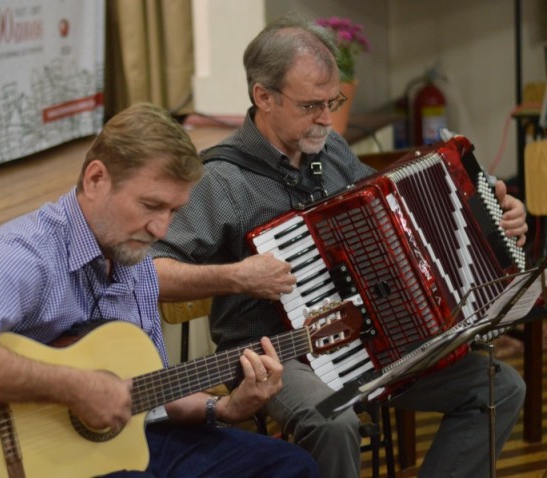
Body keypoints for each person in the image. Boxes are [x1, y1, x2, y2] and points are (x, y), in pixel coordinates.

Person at [150, 16, 529, 478]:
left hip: (372, 343)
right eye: (311, 105)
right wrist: (235, 275)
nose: (327, 119)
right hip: (278, 356)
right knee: (333, 419)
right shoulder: (222, 180)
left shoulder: (328, 152)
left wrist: (491, 218)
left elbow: (399, 217)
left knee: (497, 387)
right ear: (263, 97)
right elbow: (147, 273)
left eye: (333, 102)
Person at [0, 103, 319, 477]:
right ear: (96, 179)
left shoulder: (132, 254)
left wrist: (224, 407)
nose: (161, 229)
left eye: (173, 211)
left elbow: (147, 395)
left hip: (134, 444)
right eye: (150, 206)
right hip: (43, 462)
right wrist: (75, 387)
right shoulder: (26, 253)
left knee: (291, 467)